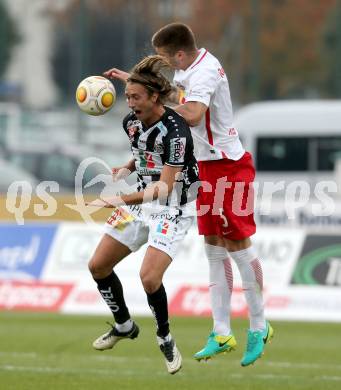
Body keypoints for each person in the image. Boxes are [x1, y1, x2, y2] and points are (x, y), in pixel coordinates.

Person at [104, 23, 273, 367]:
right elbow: (173, 94)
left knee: (239, 246)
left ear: (180, 54)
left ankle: (259, 325)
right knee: (213, 249)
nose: (168, 65)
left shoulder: (206, 72)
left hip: (229, 165)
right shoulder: (191, 70)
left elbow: (193, 114)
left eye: (168, 59)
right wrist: (135, 85)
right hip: (205, 170)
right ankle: (222, 331)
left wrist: (153, 106)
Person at [88, 55, 199, 375]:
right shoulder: (131, 122)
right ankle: (123, 325)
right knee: (98, 265)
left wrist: (118, 198)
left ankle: (164, 336)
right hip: (139, 202)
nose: (130, 102)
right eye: (127, 97)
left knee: (149, 278)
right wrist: (127, 166)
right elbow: (145, 151)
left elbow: (164, 188)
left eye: (136, 97)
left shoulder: (177, 132)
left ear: (153, 97)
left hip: (173, 206)